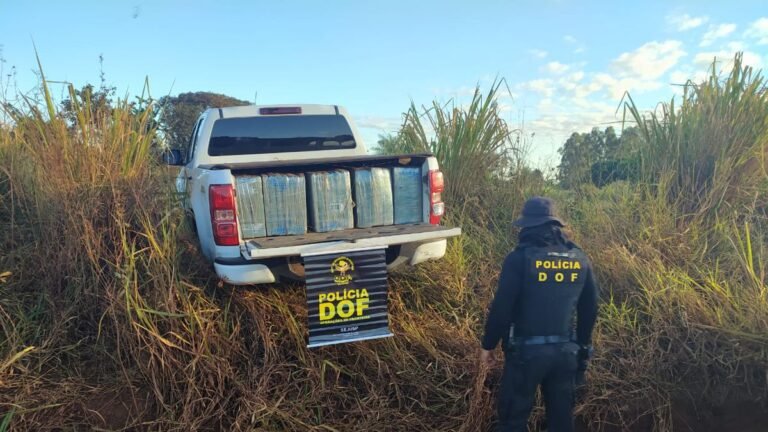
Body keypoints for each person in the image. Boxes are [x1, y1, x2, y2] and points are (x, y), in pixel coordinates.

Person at [480, 196, 598, 432]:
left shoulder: (519, 258)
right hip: (566, 354)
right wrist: (583, 349)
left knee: (512, 422)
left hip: (526, 355)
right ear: (556, 226)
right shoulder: (579, 258)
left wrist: (488, 345)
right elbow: (590, 308)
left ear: (526, 226)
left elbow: (502, 307)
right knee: (562, 423)